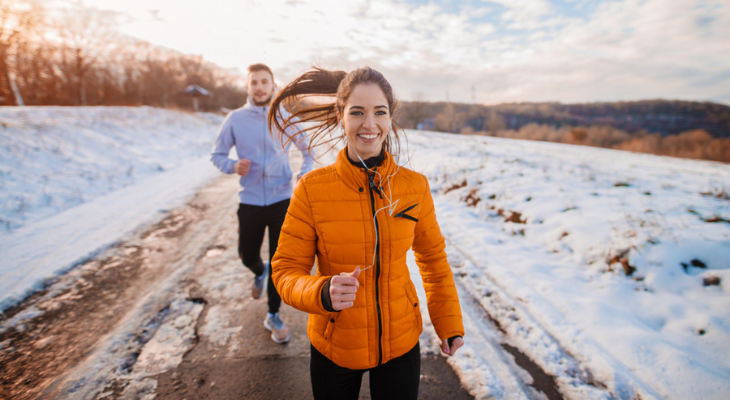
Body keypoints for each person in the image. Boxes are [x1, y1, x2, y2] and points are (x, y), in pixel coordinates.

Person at [268, 66, 465, 399]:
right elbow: (286, 272)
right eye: (357, 112)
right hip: (335, 346)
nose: (369, 124)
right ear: (340, 115)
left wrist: (448, 322)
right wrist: (322, 292)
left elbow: (433, 259)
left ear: (390, 117)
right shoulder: (312, 190)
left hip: (401, 342)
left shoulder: (414, 187)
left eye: (379, 112)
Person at [211, 63, 314, 344]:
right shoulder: (235, 119)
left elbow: (309, 152)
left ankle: (273, 313)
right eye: (254, 82)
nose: (259, 87)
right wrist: (233, 165)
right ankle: (259, 271)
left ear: (272, 85)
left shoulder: (285, 117)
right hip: (251, 200)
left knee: (279, 262)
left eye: (264, 82)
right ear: (248, 87)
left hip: (282, 200)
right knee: (247, 255)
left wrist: (302, 174)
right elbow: (217, 155)